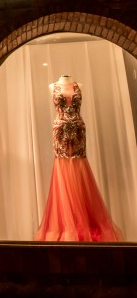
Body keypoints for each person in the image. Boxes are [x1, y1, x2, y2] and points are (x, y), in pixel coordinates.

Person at [34, 75, 123, 242]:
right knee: (62, 166)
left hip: (78, 130)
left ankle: (82, 219)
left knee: (79, 165)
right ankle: (67, 222)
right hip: (60, 130)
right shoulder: (52, 86)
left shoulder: (78, 85)